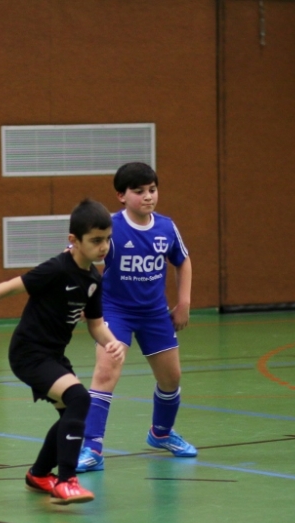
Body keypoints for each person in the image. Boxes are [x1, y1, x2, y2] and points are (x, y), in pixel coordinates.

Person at [0, 199, 126, 503]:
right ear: (74, 240)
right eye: (96, 240)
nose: (104, 246)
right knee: (79, 399)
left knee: (70, 412)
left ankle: (40, 474)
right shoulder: (57, 269)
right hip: (28, 353)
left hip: (53, 356)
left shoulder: (94, 279)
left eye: (107, 239)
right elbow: (10, 287)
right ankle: (66, 480)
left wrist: (111, 341)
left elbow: (95, 324)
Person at [76, 162, 195, 473]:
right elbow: (78, 259)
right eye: (139, 191)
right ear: (121, 196)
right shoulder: (110, 228)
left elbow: (182, 261)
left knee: (171, 378)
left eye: (152, 190)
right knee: (106, 373)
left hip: (155, 313)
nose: (148, 196)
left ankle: (161, 433)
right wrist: (82, 299)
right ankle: (92, 448)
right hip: (116, 311)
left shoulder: (166, 227)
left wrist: (183, 302)